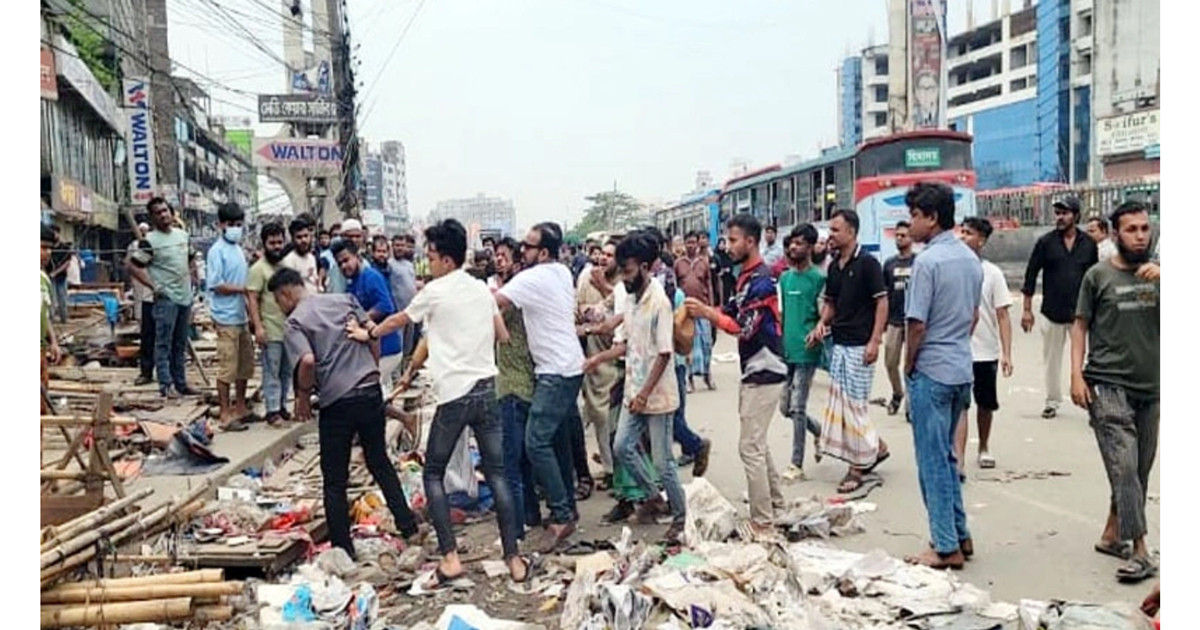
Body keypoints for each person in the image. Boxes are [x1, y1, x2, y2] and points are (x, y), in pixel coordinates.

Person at [346, 219, 533, 588]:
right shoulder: (481, 288)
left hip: (455, 394)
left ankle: (450, 557)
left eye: (431, 256)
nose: (428, 263)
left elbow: (398, 320)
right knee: (498, 474)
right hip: (486, 389)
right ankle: (513, 557)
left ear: (446, 260)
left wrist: (368, 332)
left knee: (432, 473)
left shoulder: (434, 291)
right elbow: (502, 334)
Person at [269, 267, 424, 559]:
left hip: (336, 402)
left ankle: (343, 549)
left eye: (278, 301)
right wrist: (372, 369)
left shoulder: (295, 322)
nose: (280, 308)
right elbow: (373, 335)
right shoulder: (345, 300)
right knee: (380, 462)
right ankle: (409, 527)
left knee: (335, 480)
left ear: (285, 294)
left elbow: (308, 361)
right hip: (369, 390)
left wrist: (303, 396)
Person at [1070, 201, 1159, 584]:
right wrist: (1076, 375)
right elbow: (1079, 326)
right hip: (1106, 383)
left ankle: (1111, 534)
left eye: (1144, 228)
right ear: (1115, 234)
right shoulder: (1098, 276)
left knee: (1138, 469)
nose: (1140, 236)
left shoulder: (1160, 275)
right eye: (1131, 229)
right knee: (1124, 466)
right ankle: (1140, 550)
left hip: (1151, 387)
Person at [685, 213, 788, 540]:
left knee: (749, 448)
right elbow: (730, 312)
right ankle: (775, 504)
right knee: (757, 443)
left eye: (733, 240)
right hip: (755, 370)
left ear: (751, 242)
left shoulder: (762, 280)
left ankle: (763, 521)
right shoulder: (744, 277)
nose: (727, 246)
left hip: (766, 369)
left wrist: (707, 313)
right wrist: (706, 311)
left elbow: (743, 327)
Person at [584, 231, 687, 543]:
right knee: (621, 447)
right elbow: (625, 344)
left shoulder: (659, 302)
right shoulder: (629, 298)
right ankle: (653, 497)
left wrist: (644, 394)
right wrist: (596, 359)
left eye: (628, 271)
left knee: (663, 462)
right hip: (634, 389)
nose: (624, 278)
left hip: (658, 395)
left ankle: (680, 519)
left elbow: (664, 354)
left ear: (644, 267)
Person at [900, 182, 982, 570]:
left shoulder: (928, 262)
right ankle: (959, 533)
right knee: (948, 458)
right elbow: (973, 316)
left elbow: (916, 323)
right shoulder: (970, 258)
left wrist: (909, 363)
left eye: (915, 216)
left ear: (931, 218)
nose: (910, 223)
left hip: (932, 369)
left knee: (932, 461)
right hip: (960, 367)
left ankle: (945, 545)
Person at [493, 222, 587, 553]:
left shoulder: (533, 278)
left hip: (555, 371)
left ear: (543, 252)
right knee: (557, 441)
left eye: (528, 246)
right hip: (568, 366)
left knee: (535, 443)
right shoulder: (560, 272)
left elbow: (494, 302)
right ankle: (567, 507)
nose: (522, 251)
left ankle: (561, 515)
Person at [813, 209, 890, 494]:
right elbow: (831, 303)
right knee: (845, 408)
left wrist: (875, 341)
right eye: (830, 230)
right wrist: (821, 324)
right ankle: (877, 448)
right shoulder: (834, 267)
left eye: (836, 230)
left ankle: (856, 468)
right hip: (839, 344)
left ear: (852, 232)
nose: (830, 235)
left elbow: (882, 303)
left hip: (860, 345)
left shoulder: (868, 264)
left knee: (855, 408)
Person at [1021, 196, 1098, 419]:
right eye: (1058, 213)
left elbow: (1095, 279)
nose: (1060, 217)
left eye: (1065, 213)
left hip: (1080, 314)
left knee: (1086, 359)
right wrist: (1027, 309)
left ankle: (1089, 400)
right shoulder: (1045, 243)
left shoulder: (1088, 244)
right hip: (1052, 312)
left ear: (1076, 215)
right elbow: (1031, 275)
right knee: (1052, 361)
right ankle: (1052, 401)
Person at [490, 238, 542, 537]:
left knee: (510, 462)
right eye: (496, 255)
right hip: (523, 382)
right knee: (523, 460)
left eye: (503, 256)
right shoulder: (522, 292)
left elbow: (500, 331)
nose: (498, 260)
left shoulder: (511, 295)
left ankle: (515, 528)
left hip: (512, 385)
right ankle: (530, 515)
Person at [955, 218, 1013, 472]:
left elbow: (1002, 315)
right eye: (962, 232)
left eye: (969, 233)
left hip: (985, 351)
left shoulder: (992, 274)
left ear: (982, 240)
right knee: (960, 404)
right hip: (958, 350)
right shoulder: (952, 269)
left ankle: (984, 446)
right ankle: (958, 456)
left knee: (985, 404)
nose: (963, 237)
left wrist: (1007, 353)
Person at [127, 198, 201, 399]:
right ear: (152, 217)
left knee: (180, 343)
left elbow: (190, 258)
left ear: (171, 212)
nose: (163, 215)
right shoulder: (149, 241)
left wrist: (193, 277)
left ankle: (181, 383)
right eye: (158, 212)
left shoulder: (182, 236)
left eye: (165, 210)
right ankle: (166, 384)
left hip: (184, 297)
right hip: (166, 298)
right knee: (163, 343)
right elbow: (133, 266)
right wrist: (154, 286)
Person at [778, 224, 826, 482]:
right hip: (787, 350)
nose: (793, 248)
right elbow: (782, 314)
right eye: (792, 243)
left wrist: (819, 329)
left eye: (799, 243)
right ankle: (818, 430)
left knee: (798, 406)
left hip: (807, 352)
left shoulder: (818, 279)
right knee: (785, 408)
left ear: (810, 247)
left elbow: (825, 314)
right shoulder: (785, 279)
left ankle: (796, 464)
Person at [332, 240, 404, 397]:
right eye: (340, 264)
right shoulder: (352, 284)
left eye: (346, 260)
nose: (344, 266)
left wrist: (360, 320)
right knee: (383, 390)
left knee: (373, 390)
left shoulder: (371, 277)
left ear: (357, 257)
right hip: (375, 346)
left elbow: (386, 306)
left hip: (387, 347)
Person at [576, 240, 621, 490]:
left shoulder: (623, 284)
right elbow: (580, 310)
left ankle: (613, 471)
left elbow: (616, 316)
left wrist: (603, 287)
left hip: (615, 362)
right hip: (592, 362)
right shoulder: (586, 279)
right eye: (602, 254)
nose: (604, 258)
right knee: (591, 415)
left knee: (607, 420)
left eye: (610, 255)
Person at [206, 203, 254, 431]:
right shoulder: (217, 251)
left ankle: (241, 406)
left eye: (238, 224)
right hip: (225, 316)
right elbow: (216, 284)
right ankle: (225, 414)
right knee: (227, 367)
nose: (235, 228)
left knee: (244, 365)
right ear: (221, 225)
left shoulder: (238, 250)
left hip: (240, 315)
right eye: (231, 224)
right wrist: (242, 290)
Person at [248, 222, 292, 426]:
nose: (276, 246)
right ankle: (272, 410)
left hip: (288, 329)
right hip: (270, 329)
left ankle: (282, 406)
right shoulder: (258, 269)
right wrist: (258, 327)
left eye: (279, 242)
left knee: (286, 371)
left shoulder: (285, 267)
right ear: (264, 244)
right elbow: (252, 299)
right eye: (272, 243)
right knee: (271, 371)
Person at [882, 222, 916, 415]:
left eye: (903, 235)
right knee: (890, 362)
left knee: (911, 364)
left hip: (913, 321)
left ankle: (911, 405)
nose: (900, 239)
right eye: (897, 235)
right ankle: (897, 393)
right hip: (894, 321)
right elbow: (883, 294)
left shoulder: (919, 262)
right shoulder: (889, 264)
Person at [675, 230, 715, 391]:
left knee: (706, 344)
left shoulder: (703, 262)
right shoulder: (679, 263)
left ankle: (707, 376)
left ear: (697, 244)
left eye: (693, 242)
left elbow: (709, 285)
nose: (691, 246)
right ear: (684, 244)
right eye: (688, 243)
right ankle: (689, 379)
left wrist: (711, 307)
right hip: (685, 310)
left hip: (702, 308)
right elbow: (676, 286)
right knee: (689, 345)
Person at [129, 223, 157, 386]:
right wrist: (151, 285)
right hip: (148, 295)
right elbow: (131, 265)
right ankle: (146, 372)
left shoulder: (174, 241)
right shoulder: (142, 245)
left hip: (170, 297)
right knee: (148, 336)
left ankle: (170, 373)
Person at [41, 225, 63, 414]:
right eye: (42, 247)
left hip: (40, 350)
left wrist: (53, 342)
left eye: (49, 248)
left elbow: (44, 314)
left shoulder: (43, 279)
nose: (47, 253)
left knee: (41, 406)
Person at [282, 214, 321, 293]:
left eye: (306, 236)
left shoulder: (311, 258)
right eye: (299, 237)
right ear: (293, 239)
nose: (303, 240)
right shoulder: (288, 261)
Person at [47, 226, 71, 324]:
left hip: (61, 277)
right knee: (51, 299)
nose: (53, 235)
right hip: (50, 277)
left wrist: (56, 272)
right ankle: (51, 320)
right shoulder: (48, 247)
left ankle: (64, 319)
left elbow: (67, 263)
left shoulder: (65, 248)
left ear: (58, 233)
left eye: (55, 233)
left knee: (62, 299)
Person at [714, 236, 735, 306]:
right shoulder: (715, 256)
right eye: (720, 243)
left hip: (726, 280)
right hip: (717, 280)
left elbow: (730, 267)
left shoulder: (727, 256)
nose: (721, 245)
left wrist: (726, 270)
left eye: (723, 244)